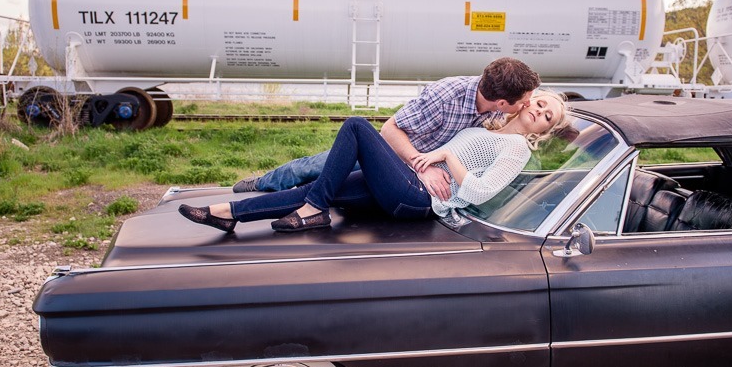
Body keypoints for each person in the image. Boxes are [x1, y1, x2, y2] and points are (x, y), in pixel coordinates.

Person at [179, 89, 569, 233]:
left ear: (546, 129)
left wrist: (447, 156)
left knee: (355, 127)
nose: (541, 112)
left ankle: (314, 209)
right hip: (412, 183)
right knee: (313, 188)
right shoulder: (491, 124)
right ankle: (229, 213)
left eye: (549, 116)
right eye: (541, 103)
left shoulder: (517, 148)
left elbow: (481, 191)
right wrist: (437, 160)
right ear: (527, 99)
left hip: (421, 199)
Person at [232, 57, 540, 200]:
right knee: (313, 168)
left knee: (336, 187)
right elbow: (392, 130)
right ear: (501, 102)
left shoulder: (500, 109)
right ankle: (262, 184)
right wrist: (421, 166)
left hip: (413, 169)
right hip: (392, 152)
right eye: (525, 101)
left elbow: (540, 113)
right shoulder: (447, 95)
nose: (529, 105)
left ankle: (291, 199)